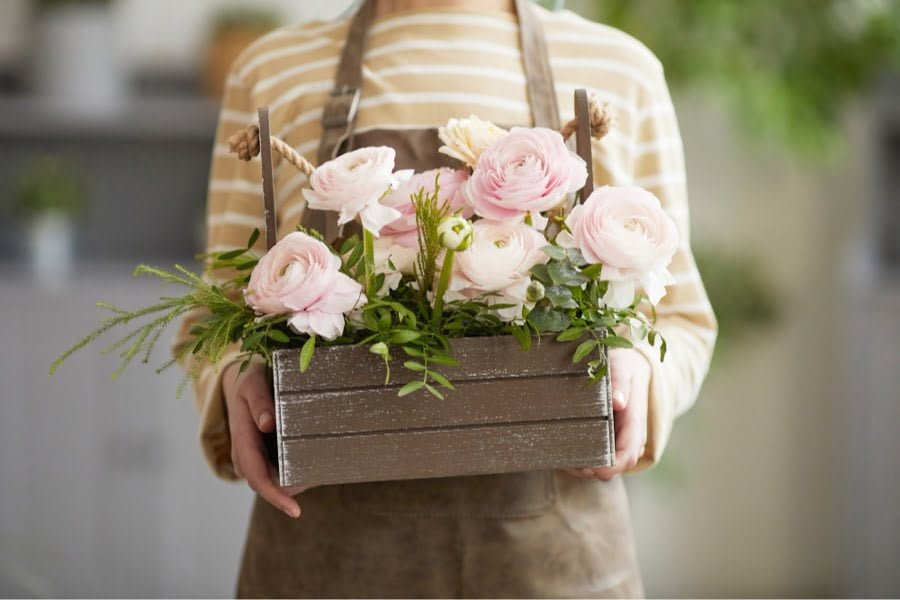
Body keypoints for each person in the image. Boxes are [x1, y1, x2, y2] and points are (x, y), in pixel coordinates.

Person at [173, 0, 717, 596]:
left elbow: (681, 318)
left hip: (555, 559)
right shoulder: (274, 70)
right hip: (326, 557)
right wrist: (233, 377)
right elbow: (216, 311)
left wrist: (642, 366)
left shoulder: (618, 72)